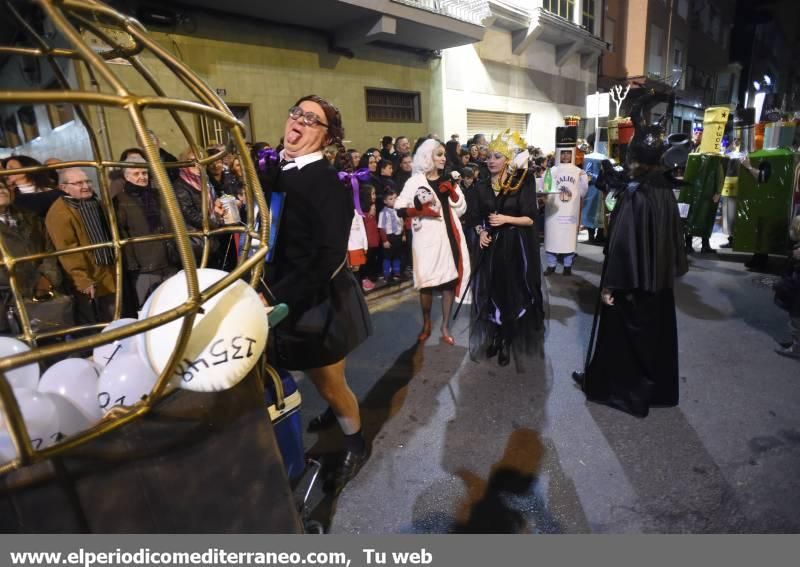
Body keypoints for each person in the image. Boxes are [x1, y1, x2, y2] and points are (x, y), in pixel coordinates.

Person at [265, 95, 372, 494]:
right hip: (275, 292)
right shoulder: (280, 171)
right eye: (297, 113)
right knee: (281, 371)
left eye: (312, 119)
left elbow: (327, 256)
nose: (299, 121)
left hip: (314, 299)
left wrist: (277, 297)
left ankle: (355, 444)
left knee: (329, 383)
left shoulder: (328, 183)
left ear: (327, 137)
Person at [573, 90, 688, 418]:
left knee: (623, 339)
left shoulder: (639, 195)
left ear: (637, 158)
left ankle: (619, 391)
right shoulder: (662, 190)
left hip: (632, 284)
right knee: (654, 339)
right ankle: (655, 390)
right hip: (657, 284)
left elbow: (624, 244)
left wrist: (610, 286)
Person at [468, 132, 545, 368]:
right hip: (491, 248)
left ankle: (508, 339)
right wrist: (481, 231)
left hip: (514, 248)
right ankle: (496, 335)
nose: (491, 161)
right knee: (491, 293)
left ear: (508, 160)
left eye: (497, 156)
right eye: (489, 156)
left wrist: (505, 219)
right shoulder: (481, 186)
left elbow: (531, 219)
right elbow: (474, 217)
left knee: (512, 294)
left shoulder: (522, 182)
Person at [395, 139, 471, 345]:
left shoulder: (449, 178)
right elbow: (399, 208)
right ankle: (427, 322)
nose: (443, 158)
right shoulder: (414, 182)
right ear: (428, 157)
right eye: (439, 154)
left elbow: (461, 207)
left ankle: (445, 326)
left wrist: (454, 191)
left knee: (448, 283)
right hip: (425, 240)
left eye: (444, 154)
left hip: (448, 237)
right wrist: (420, 210)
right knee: (426, 284)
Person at [45, 168, 116, 324]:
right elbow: (68, 250)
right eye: (78, 183)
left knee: (116, 317)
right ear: (64, 188)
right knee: (100, 322)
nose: (86, 186)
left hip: (109, 271)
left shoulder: (94, 202)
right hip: (89, 279)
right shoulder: (59, 213)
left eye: (87, 181)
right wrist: (82, 279)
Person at [113, 154, 178, 307]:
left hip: (169, 260)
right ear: (126, 176)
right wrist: (133, 264)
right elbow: (122, 233)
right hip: (145, 265)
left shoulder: (157, 195)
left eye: (144, 173)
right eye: (136, 174)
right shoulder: (120, 201)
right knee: (149, 305)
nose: (142, 177)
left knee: (174, 301)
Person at [0, 178, 62, 335]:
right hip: (6, 302)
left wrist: (46, 278)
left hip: (44, 295)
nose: (2, 190)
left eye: (2, 186)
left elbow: (49, 250)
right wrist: (25, 287)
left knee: (57, 342)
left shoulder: (31, 218)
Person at [172, 148, 227, 266]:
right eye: (192, 161)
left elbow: (209, 202)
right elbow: (190, 214)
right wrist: (214, 224)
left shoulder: (204, 180)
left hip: (210, 238)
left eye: (201, 160)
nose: (197, 164)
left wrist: (216, 205)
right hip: (195, 242)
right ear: (184, 162)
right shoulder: (180, 185)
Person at [543, 149, 589, 276]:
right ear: (558, 154)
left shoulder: (578, 171)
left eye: (568, 153)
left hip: (570, 210)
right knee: (552, 237)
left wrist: (582, 179)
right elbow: (544, 186)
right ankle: (551, 265)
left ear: (572, 154)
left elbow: (583, 190)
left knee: (568, 238)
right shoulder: (553, 170)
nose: (565, 156)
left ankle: (567, 266)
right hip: (554, 209)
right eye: (563, 153)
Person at [378, 188, 405, 282]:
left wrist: (403, 234)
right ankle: (386, 274)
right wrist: (385, 240)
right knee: (387, 257)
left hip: (398, 236)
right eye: (391, 199)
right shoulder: (383, 213)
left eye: (395, 198)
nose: (394, 200)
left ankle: (396, 273)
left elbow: (402, 223)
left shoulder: (399, 210)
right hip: (389, 237)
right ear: (385, 201)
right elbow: (381, 228)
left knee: (397, 255)